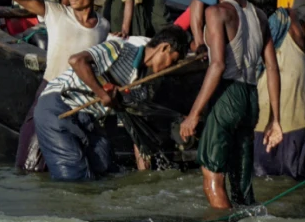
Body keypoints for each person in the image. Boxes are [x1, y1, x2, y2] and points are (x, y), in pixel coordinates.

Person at [180, 0, 283, 210]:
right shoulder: (260, 15)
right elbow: (271, 67)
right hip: (250, 98)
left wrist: (194, 114)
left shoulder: (217, 13)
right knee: (242, 180)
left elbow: (217, 65)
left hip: (227, 95)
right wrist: (275, 120)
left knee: (213, 175)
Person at [34, 26, 189, 181]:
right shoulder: (119, 48)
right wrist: (102, 94)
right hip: (58, 106)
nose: (170, 67)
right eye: (173, 60)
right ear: (164, 48)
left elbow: (135, 128)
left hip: (89, 117)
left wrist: (145, 175)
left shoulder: (141, 88)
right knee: (75, 177)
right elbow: (77, 61)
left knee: (107, 170)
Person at [9, 0, 110, 172]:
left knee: (80, 161)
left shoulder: (103, 26)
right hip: (49, 93)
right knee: (29, 165)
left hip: (81, 98)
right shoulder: (56, 13)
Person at [241, 0, 305, 180]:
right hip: (298, 124)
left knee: (262, 187)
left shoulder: (246, 37)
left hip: (261, 127)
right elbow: (289, 12)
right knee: (298, 185)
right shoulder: (292, 25)